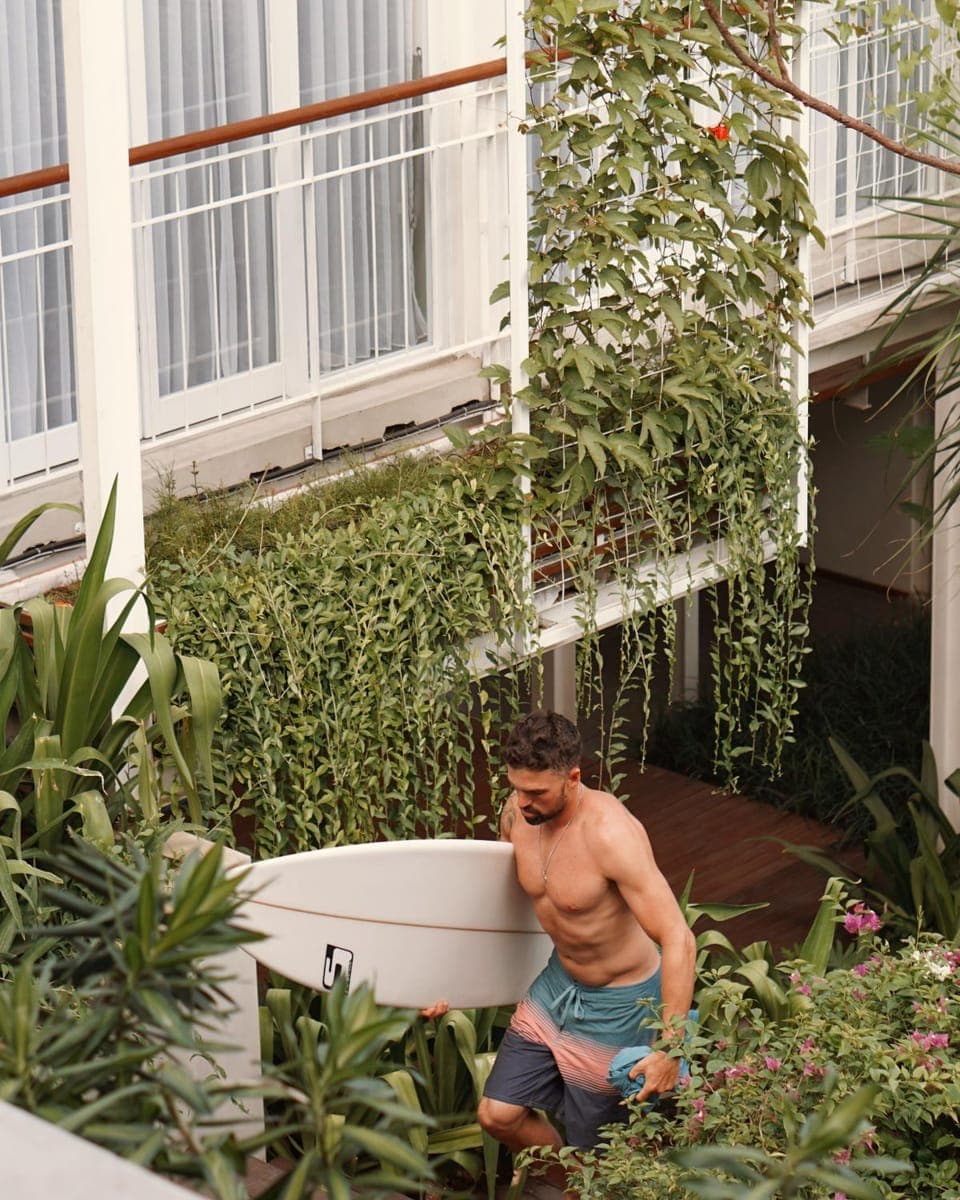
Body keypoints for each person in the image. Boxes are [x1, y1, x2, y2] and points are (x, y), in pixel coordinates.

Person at [476, 709, 696, 1190]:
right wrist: (452, 988)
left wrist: (671, 1050)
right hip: (557, 986)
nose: (523, 802)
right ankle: (580, 1185)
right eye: (516, 787)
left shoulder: (611, 835)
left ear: (573, 777)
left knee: (601, 1147)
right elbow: (498, 914)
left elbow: (679, 937)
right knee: (497, 1115)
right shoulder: (517, 815)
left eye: (537, 792)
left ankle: (595, 1184)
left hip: (618, 1002)